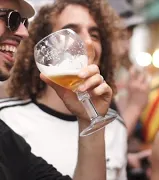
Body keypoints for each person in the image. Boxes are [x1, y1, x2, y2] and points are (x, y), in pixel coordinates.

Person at [1, 0, 127, 179]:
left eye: (95, 34)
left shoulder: (115, 126)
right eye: (72, 33)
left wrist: (88, 118)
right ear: (44, 49)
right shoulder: (7, 117)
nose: (87, 41)